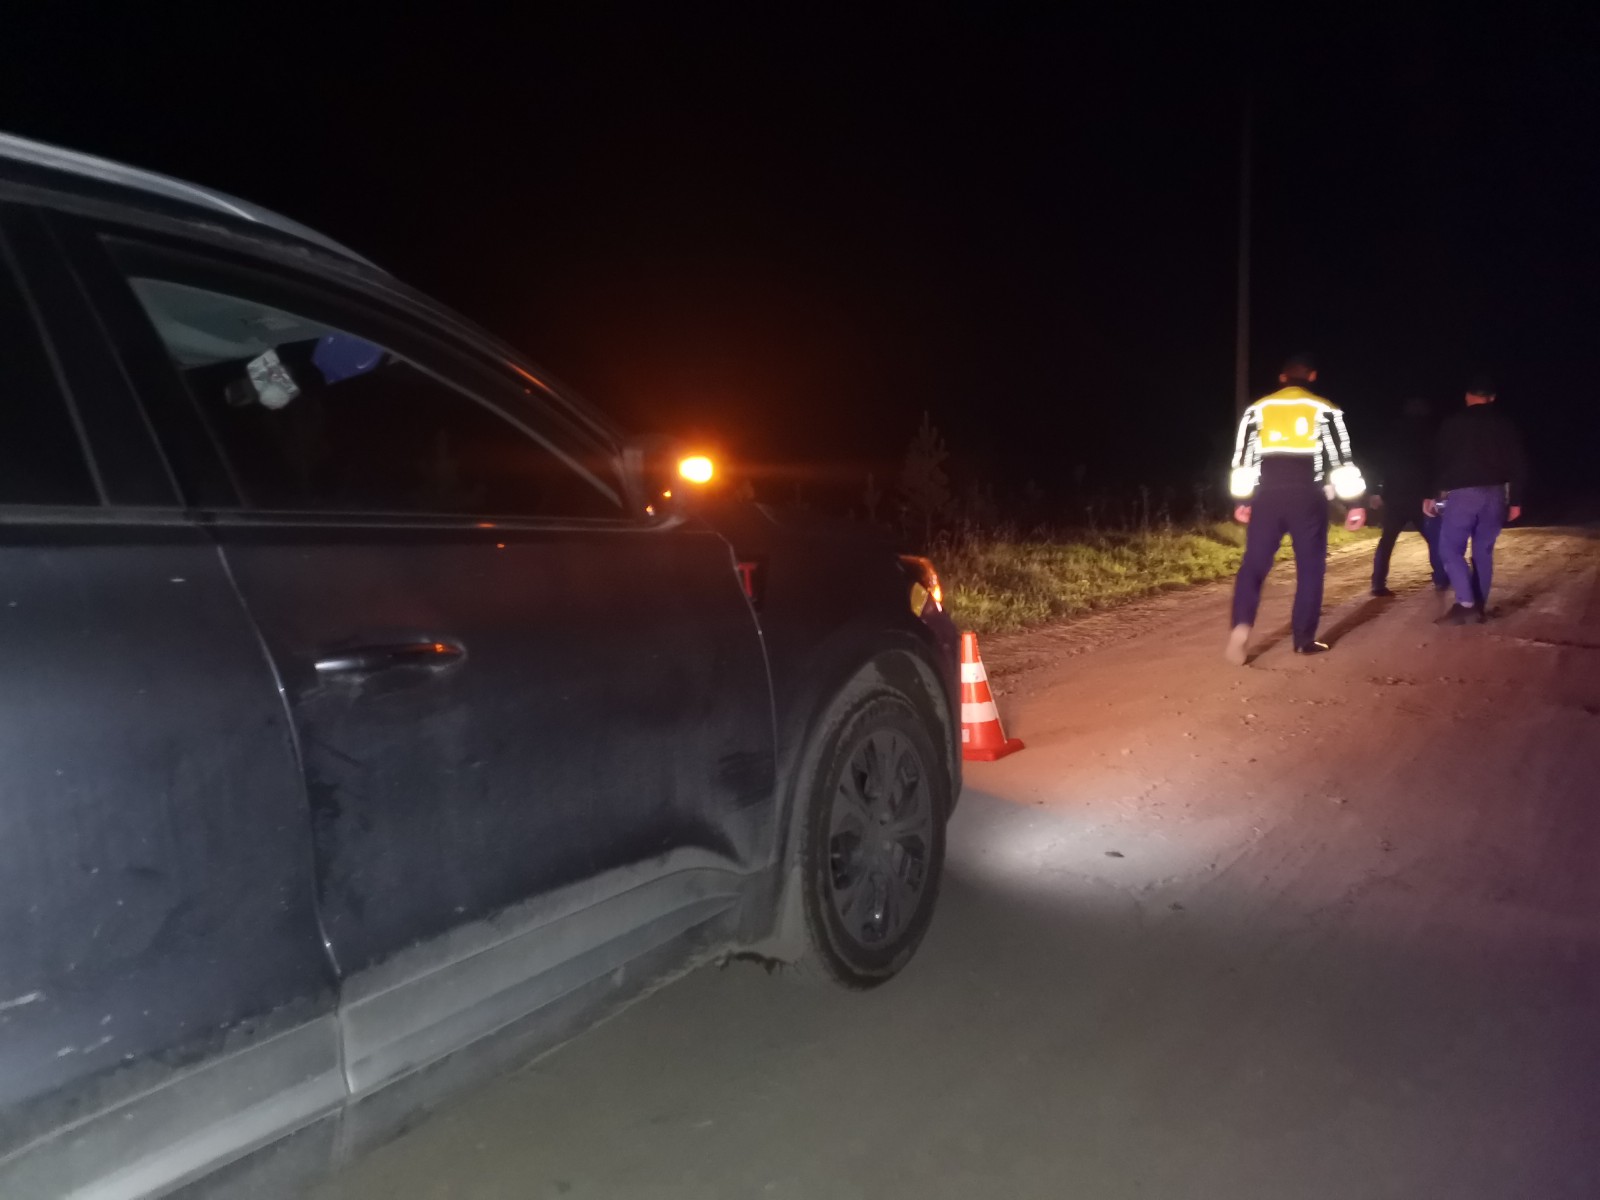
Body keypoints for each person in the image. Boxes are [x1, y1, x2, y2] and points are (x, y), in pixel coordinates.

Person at [1224, 355, 1367, 664]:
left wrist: (1242, 499)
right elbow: (1341, 460)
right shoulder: (1325, 409)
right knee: (1310, 568)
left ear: (1282, 378)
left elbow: (1243, 458)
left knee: (1254, 566)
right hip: (1307, 497)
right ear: (1312, 377)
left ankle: (1241, 627)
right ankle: (1303, 640)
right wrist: (1355, 503)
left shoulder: (1257, 409)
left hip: (1267, 497)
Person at [1425, 376, 1527, 624]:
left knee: (1450, 549)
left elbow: (1438, 460)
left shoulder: (1453, 423)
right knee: (1483, 551)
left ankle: (1466, 603)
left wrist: (1431, 494)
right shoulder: (1505, 424)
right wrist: (1515, 500)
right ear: (1492, 398)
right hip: (1495, 494)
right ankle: (1479, 605)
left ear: (1467, 396)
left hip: (1463, 495)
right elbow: (1519, 464)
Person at [1369, 397, 1449, 596]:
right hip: (1421, 498)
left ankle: (1378, 583)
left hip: (1394, 496)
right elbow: (1435, 465)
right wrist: (1436, 491)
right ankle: (1441, 578)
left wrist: (1376, 491)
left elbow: (1379, 464)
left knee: (1387, 541)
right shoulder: (1429, 435)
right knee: (1434, 539)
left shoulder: (1392, 434)